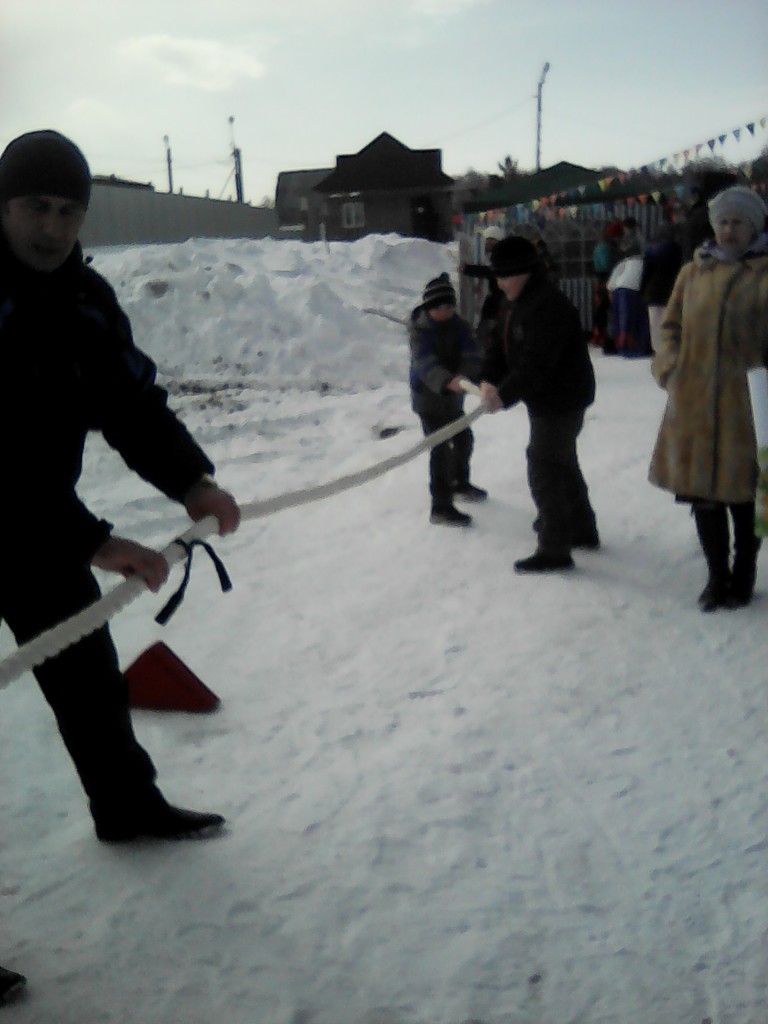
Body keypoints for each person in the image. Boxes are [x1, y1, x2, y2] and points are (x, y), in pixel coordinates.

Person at [0, 130, 241, 841]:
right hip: (36, 520)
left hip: (40, 530)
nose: (52, 228)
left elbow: (131, 406)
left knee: (88, 679)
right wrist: (94, 542)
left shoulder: (86, 302)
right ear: (3, 205)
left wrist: (192, 481)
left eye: (68, 212)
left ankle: (127, 808)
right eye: (36, 207)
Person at [649, 185, 768, 611]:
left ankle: (744, 573)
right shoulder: (692, 273)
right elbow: (670, 327)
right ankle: (717, 577)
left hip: (746, 408)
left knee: (745, 497)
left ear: (753, 227)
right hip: (694, 402)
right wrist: (670, 367)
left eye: (737, 223)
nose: (728, 230)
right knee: (703, 498)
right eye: (723, 222)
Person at [479, 236, 598, 571]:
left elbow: (536, 362)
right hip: (545, 398)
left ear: (524, 272)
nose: (499, 283)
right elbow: (499, 345)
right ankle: (581, 527)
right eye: (497, 276)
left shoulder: (549, 306)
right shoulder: (514, 302)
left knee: (544, 466)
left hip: (563, 398)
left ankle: (555, 545)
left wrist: (504, 395)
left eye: (505, 276)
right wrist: (488, 378)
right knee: (561, 461)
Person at [409, 272, 487, 527]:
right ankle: (440, 507)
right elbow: (424, 364)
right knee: (441, 449)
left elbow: (471, 353)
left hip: (453, 398)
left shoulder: (459, 326)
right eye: (439, 308)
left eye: (449, 307)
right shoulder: (420, 331)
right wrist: (446, 381)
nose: (444, 312)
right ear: (429, 308)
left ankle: (459, 483)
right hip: (428, 400)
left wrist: (465, 375)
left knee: (464, 440)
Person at [459, 225, 504, 351]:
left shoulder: (500, 258)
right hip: (492, 307)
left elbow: (490, 272)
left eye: (491, 240)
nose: (487, 244)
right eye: (487, 240)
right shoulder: (491, 257)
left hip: (496, 308)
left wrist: (467, 269)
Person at [640, 222, 683, 352]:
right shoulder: (677, 249)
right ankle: (670, 350)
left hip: (653, 292)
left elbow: (646, 273)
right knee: (670, 323)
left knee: (655, 325)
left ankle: (659, 353)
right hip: (670, 291)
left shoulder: (651, 251)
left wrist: (642, 291)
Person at [606, 249, 652, 357]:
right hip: (635, 289)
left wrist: (612, 298)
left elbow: (611, 283)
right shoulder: (645, 262)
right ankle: (637, 346)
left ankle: (622, 347)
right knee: (634, 319)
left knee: (622, 321)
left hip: (619, 289)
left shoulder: (624, 263)